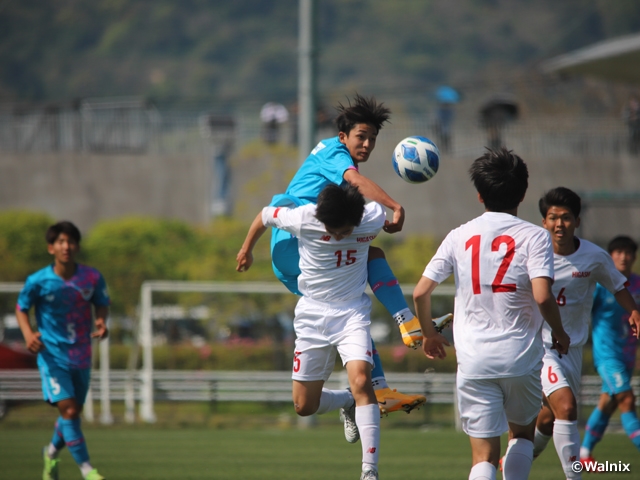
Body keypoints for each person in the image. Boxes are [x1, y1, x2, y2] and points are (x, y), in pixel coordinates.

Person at [237, 184, 449, 480]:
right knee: (303, 406)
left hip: (352, 313)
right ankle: (347, 400)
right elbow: (264, 215)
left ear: (358, 220)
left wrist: (396, 213)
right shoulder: (303, 217)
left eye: (344, 231)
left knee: (363, 380)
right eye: (332, 231)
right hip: (312, 315)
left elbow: (379, 220)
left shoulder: (371, 216)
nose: (337, 236)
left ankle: (369, 471)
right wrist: (246, 250)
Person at [243, 93, 429, 415]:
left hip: (295, 245)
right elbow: (354, 181)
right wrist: (394, 205)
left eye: (372, 138)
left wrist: (246, 250)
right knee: (367, 264)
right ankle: (404, 321)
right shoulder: (335, 153)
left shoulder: (337, 154)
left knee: (352, 298)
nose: (368, 144)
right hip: (292, 245)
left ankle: (379, 384)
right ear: (344, 136)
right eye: (362, 136)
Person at [413, 147, 570, 480]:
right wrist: (559, 331)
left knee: (483, 455)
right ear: (523, 193)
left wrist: (429, 334)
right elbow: (542, 296)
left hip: (474, 359)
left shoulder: (459, 235)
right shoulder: (535, 236)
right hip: (520, 357)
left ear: (480, 195)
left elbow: (420, 292)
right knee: (523, 435)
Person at [532, 188, 640, 479]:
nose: (559, 224)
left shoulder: (594, 256)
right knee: (567, 406)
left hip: (573, 349)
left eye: (566, 217)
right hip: (538, 347)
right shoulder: (530, 251)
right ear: (543, 221)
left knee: (550, 414)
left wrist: (633, 312)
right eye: (553, 217)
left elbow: (618, 286)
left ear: (577, 221)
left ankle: (519, 455)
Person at [16, 221, 110, 480]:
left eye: (70, 242)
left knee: (72, 413)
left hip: (81, 354)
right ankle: (87, 470)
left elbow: (101, 303)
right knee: (69, 411)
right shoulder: (38, 281)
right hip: (52, 355)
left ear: (77, 246)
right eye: (60, 242)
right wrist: (27, 333)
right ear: (51, 248)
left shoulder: (91, 277)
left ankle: (50, 454)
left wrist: (102, 322)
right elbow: (21, 307)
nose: (66, 246)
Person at [580, 235, 640, 462]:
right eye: (618, 252)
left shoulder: (637, 285)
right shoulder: (600, 286)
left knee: (608, 402)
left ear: (634, 257)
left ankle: (584, 454)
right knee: (626, 399)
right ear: (610, 256)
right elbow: (581, 310)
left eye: (628, 253)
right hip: (607, 356)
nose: (623, 257)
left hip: (627, 356)